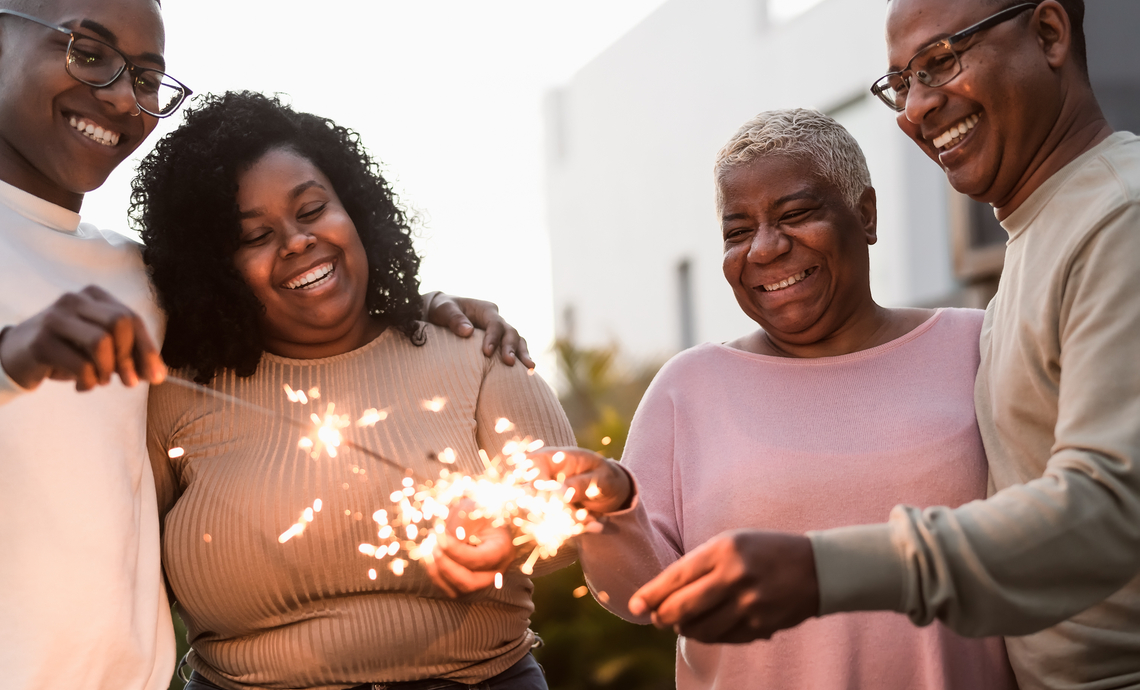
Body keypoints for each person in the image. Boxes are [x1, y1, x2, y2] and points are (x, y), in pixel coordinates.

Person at [603, 2, 1140, 688]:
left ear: (1049, 33)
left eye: (941, 60)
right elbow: (641, 588)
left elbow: (1109, 506)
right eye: (901, 83)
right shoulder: (1042, 239)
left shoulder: (1116, 219)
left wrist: (820, 569)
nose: (915, 107)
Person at [0, 2, 536, 688]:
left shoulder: (137, 282)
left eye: (144, 77)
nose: (118, 97)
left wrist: (421, 309)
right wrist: (13, 355)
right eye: (88, 51)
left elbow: (285, 305)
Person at [515, 109, 1016, 688]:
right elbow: (639, 596)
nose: (765, 248)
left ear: (866, 214)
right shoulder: (690, 387)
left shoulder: (978, 344)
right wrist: (613, 506)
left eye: (796, 214)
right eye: (737, 231)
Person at [138, 91, 576, 690]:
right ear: (213, 271)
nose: (296, 241)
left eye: (312, 209)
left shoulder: (476, 352)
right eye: (254, 236)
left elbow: (570, 527)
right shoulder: (174, 397)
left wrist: (514, 532)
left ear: (356, 211)